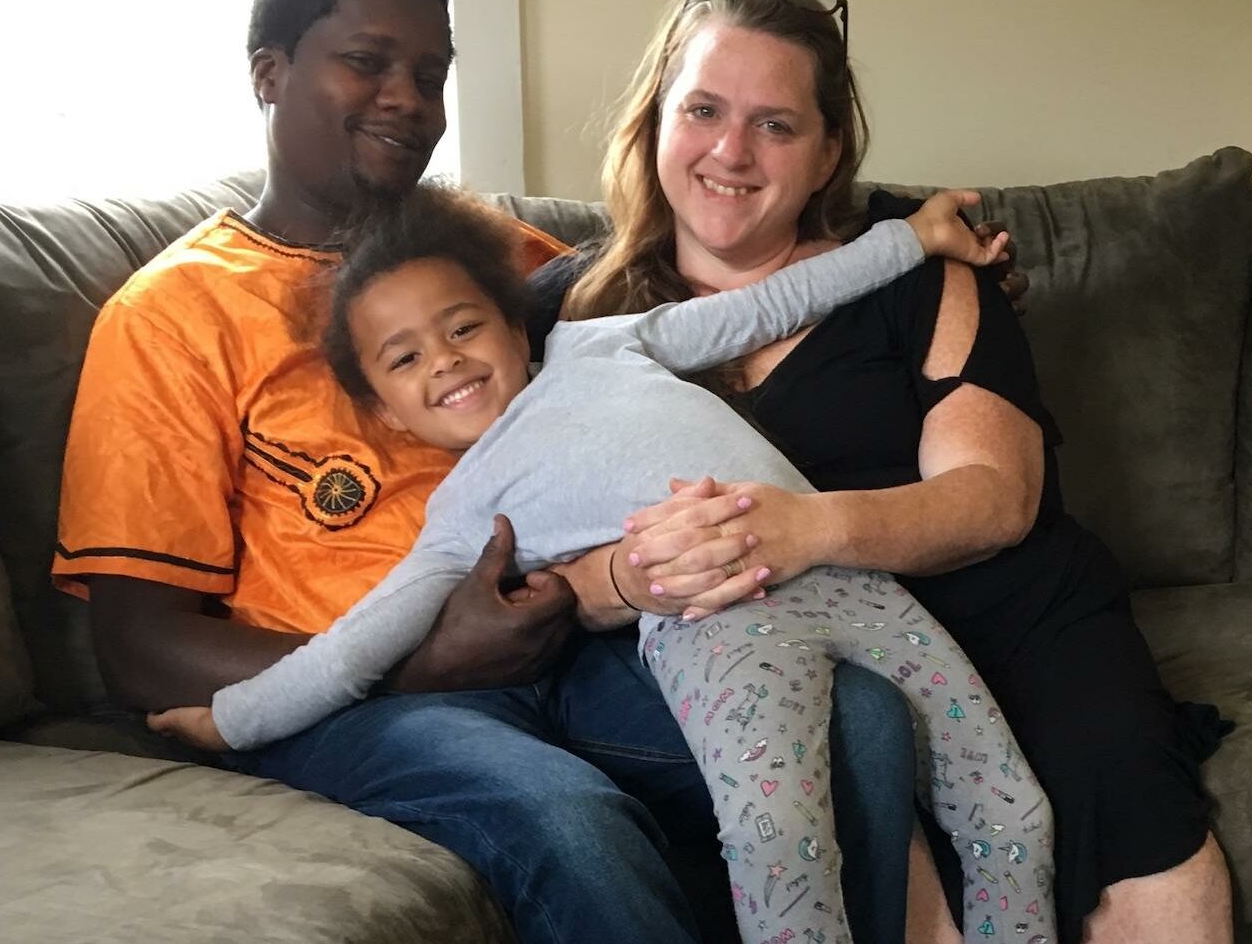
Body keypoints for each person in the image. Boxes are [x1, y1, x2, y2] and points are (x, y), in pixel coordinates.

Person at [53, 0, 925, 944]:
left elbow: (699, 293)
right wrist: (423, 662)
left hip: (589, 649)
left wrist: (927, 268)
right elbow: (137, 647)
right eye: (368, 62)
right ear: (269, 71)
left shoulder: (506, 260)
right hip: (363, 703)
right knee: (571, 821)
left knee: (852, 720)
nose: (407, 100)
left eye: (429, 76)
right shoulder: (173, 316)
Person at [148, 183, 1055, 944]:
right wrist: (230, 723)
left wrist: (912, 238)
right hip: (724, 627)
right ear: (385, 411)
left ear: (514, 325)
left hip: (845, 569)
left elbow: (772, 304)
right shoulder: (463, 520)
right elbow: (350, 651)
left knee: (1015, 815)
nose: (448, 362)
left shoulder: (602, 340)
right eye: (407, 359)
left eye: (464, 328)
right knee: (784, 846)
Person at [530, 0, 1234, 944]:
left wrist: (807, 527)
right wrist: (634, 572)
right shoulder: (570, 310)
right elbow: (521, 563)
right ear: (654, 122)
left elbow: (995, 498)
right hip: (791, 644)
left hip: (1005, 612)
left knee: (1132, 818)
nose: (731, 150)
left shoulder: (915, 264)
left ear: (826, 157)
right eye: (702, 110)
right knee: (854, 803)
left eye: (776, 124)